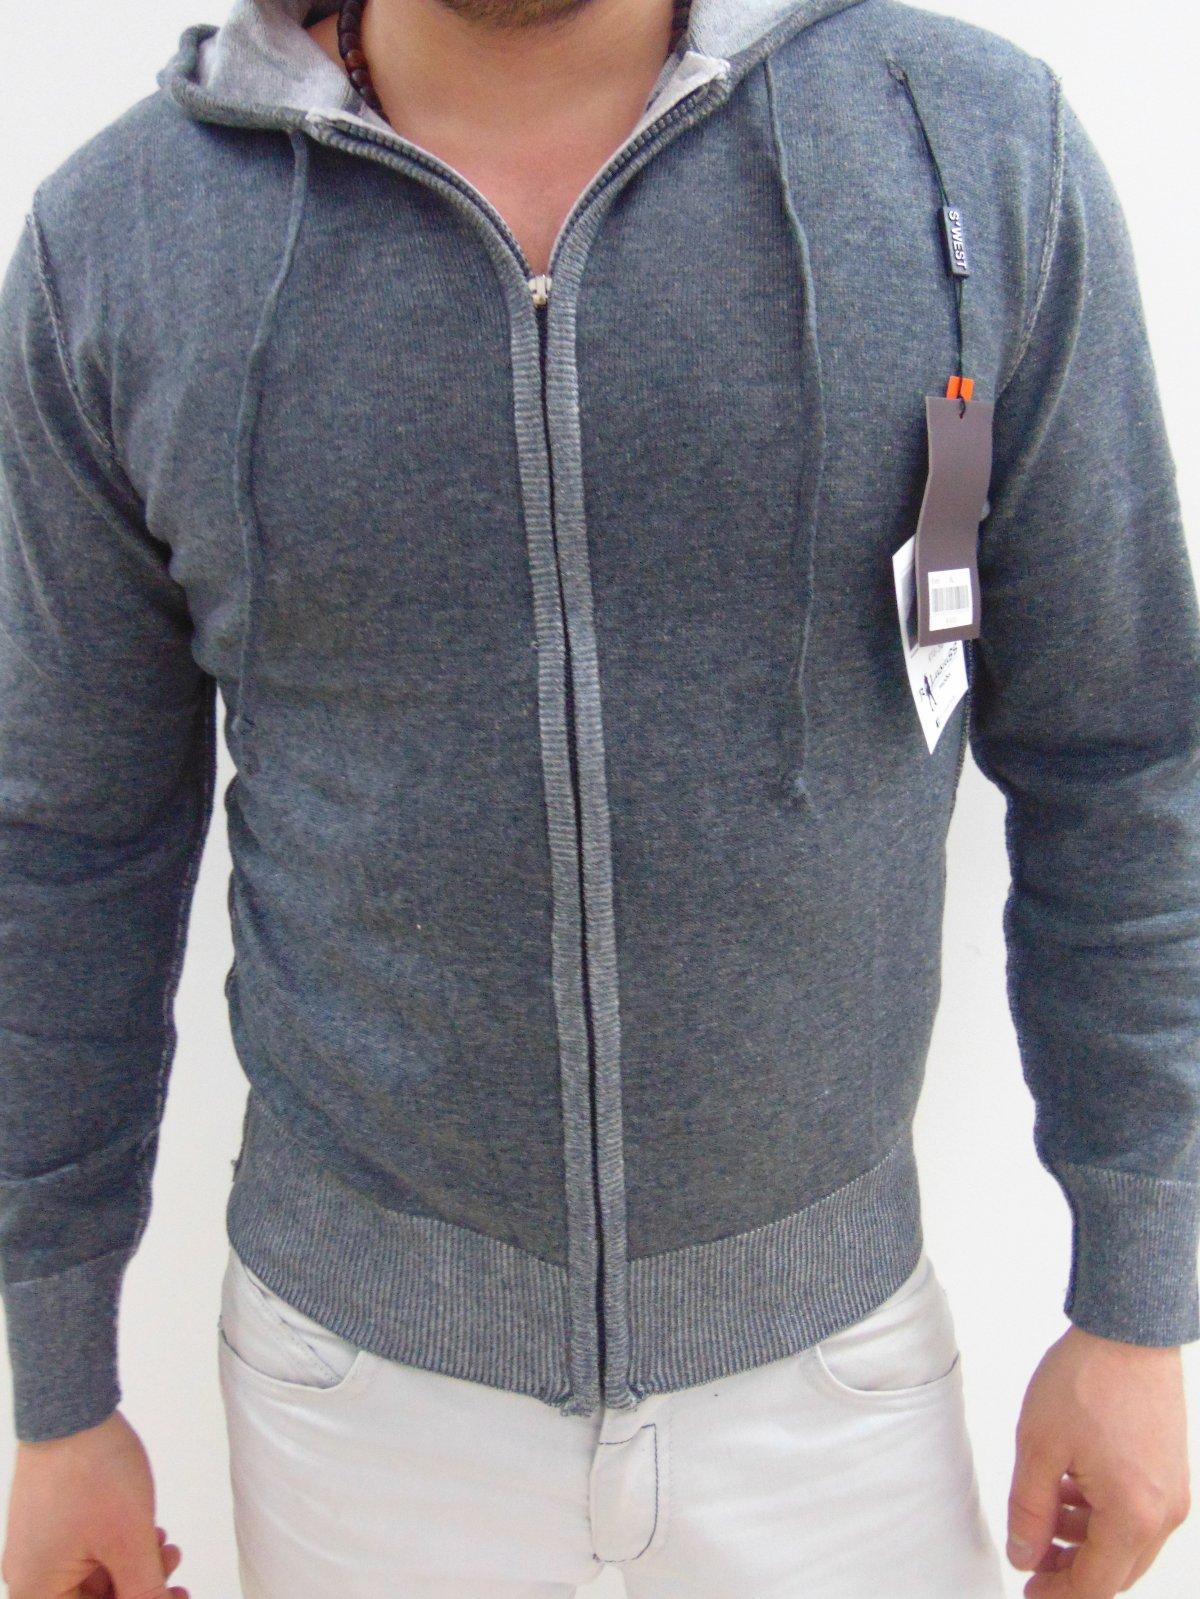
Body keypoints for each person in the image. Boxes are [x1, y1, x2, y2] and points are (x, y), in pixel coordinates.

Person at [1, 0, 1197, 1595]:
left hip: (836, 1384)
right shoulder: (126, 240)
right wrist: (59, 1393)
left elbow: (1126, 752)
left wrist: (1140, 1298)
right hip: (350, 1411)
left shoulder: (966, 151)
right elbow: (64, 848)